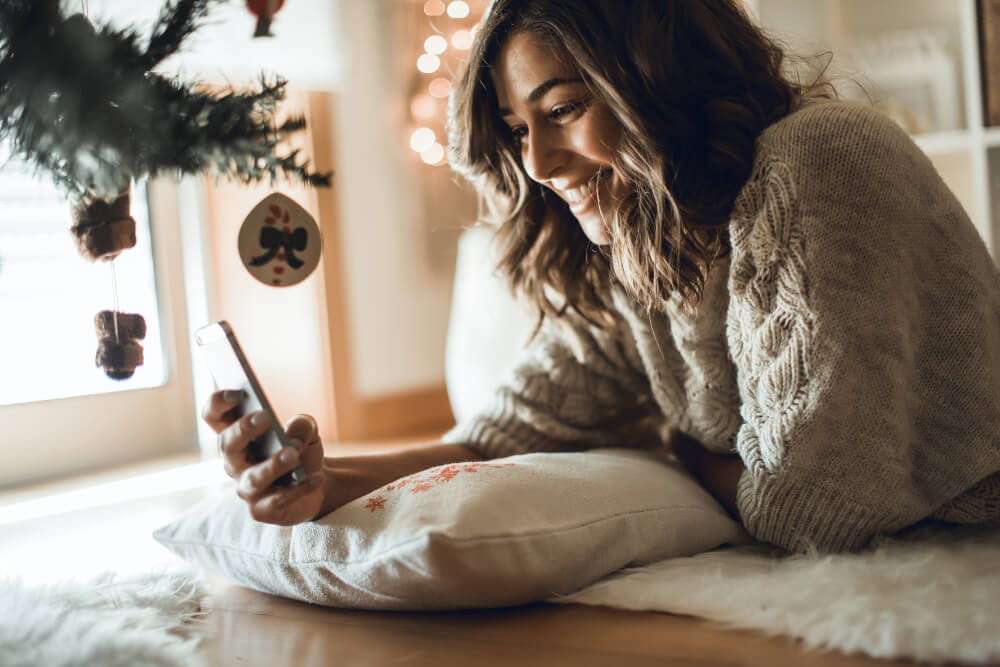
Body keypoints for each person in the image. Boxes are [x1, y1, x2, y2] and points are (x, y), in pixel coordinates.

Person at [202, 0, 1000, 553]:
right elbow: (501, 434)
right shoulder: (649, 240)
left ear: (658, 76)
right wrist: (325, 476)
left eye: (562, 110)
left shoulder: (819, 157)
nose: (541, 165)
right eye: (518, 130)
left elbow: (804, 510)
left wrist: (671, 446)